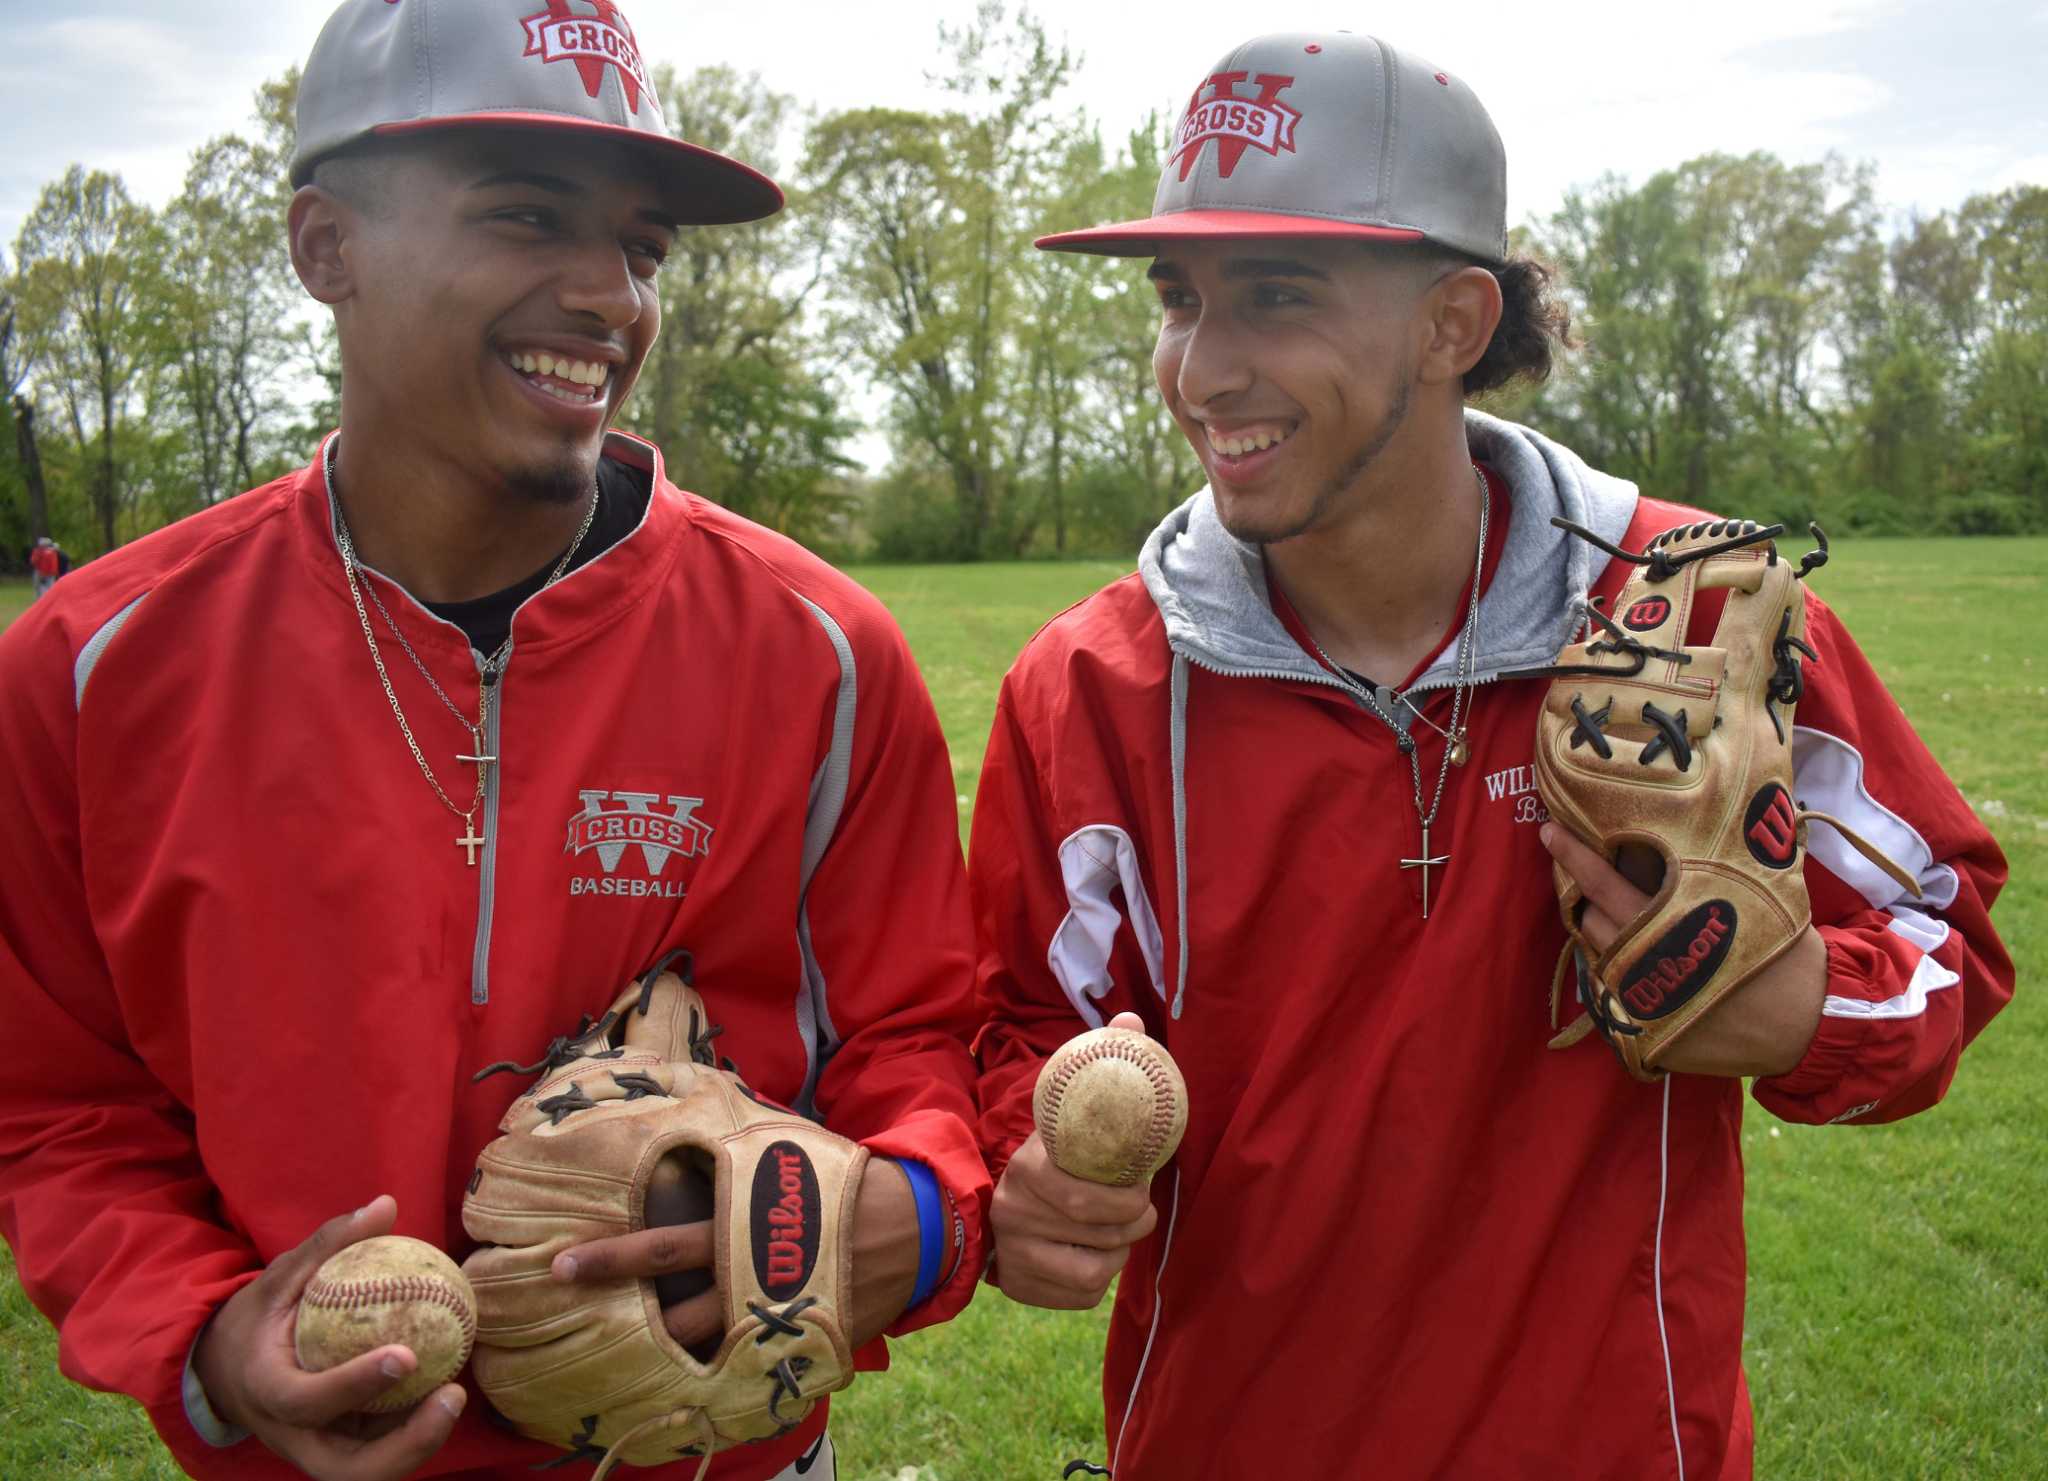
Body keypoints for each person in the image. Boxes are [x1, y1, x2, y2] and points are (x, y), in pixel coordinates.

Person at [970, 31, 2013, 1480]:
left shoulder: (1695, 612)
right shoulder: (1094, 688)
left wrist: (1804, 1009)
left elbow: (1945, 930)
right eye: (1179, 300)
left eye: (1273, 297)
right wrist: (1029, 1164)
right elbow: (1015, 1028)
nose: (1202, 368)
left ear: (1456, 319)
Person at [0, 3, 988, 1479]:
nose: (607, 293)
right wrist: (210, 1336)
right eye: (529, 215)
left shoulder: (823, 657)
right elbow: (57, 1104)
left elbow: (919, 1043)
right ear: (325, 248)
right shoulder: (90, 672)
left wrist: (907, 1215)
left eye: (642, 247)